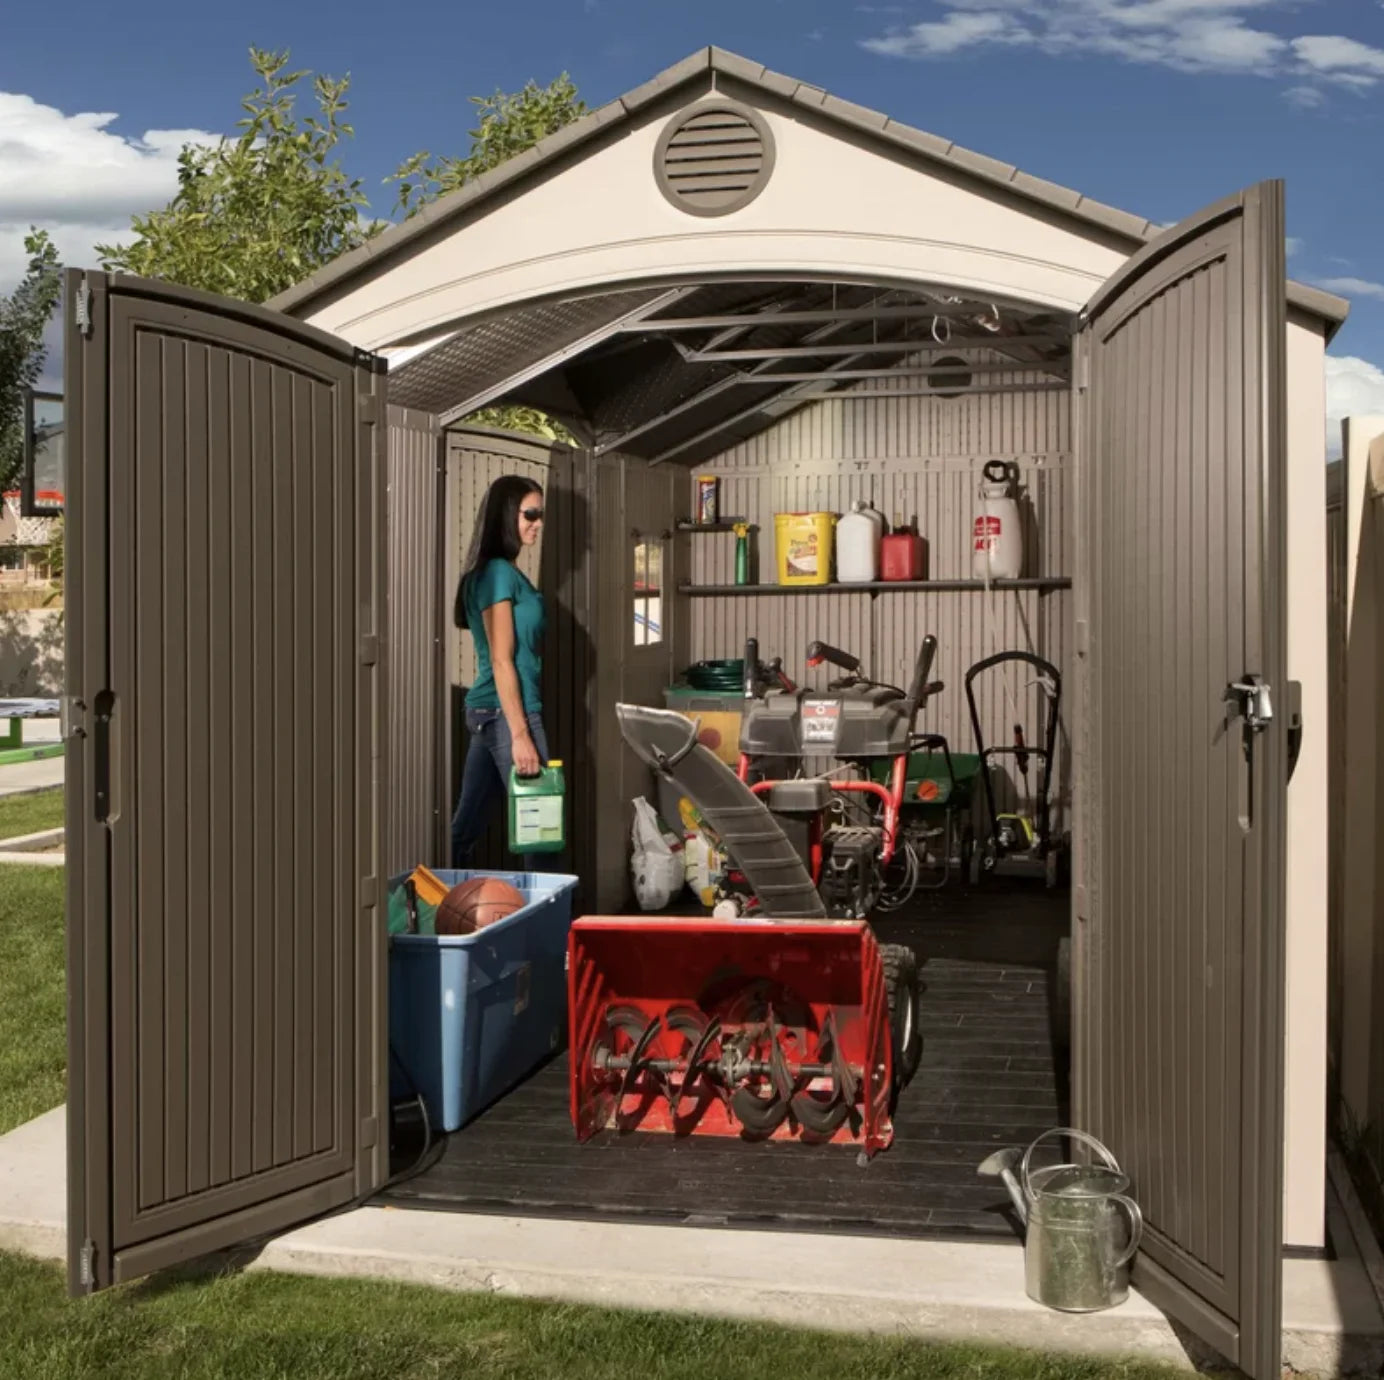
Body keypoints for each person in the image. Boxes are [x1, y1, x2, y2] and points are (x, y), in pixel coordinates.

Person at [450, 474, 548, 867]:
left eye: (540, 514)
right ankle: (549, 930)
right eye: (531, 513)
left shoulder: (503, 572)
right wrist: (521, 734)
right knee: (542, 831)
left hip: (492, 712)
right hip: (508, 714)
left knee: (463, 831)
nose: (538, 522)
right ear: (508, 514)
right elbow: (501, 658)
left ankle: (445, 911)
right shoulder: (496, 574)